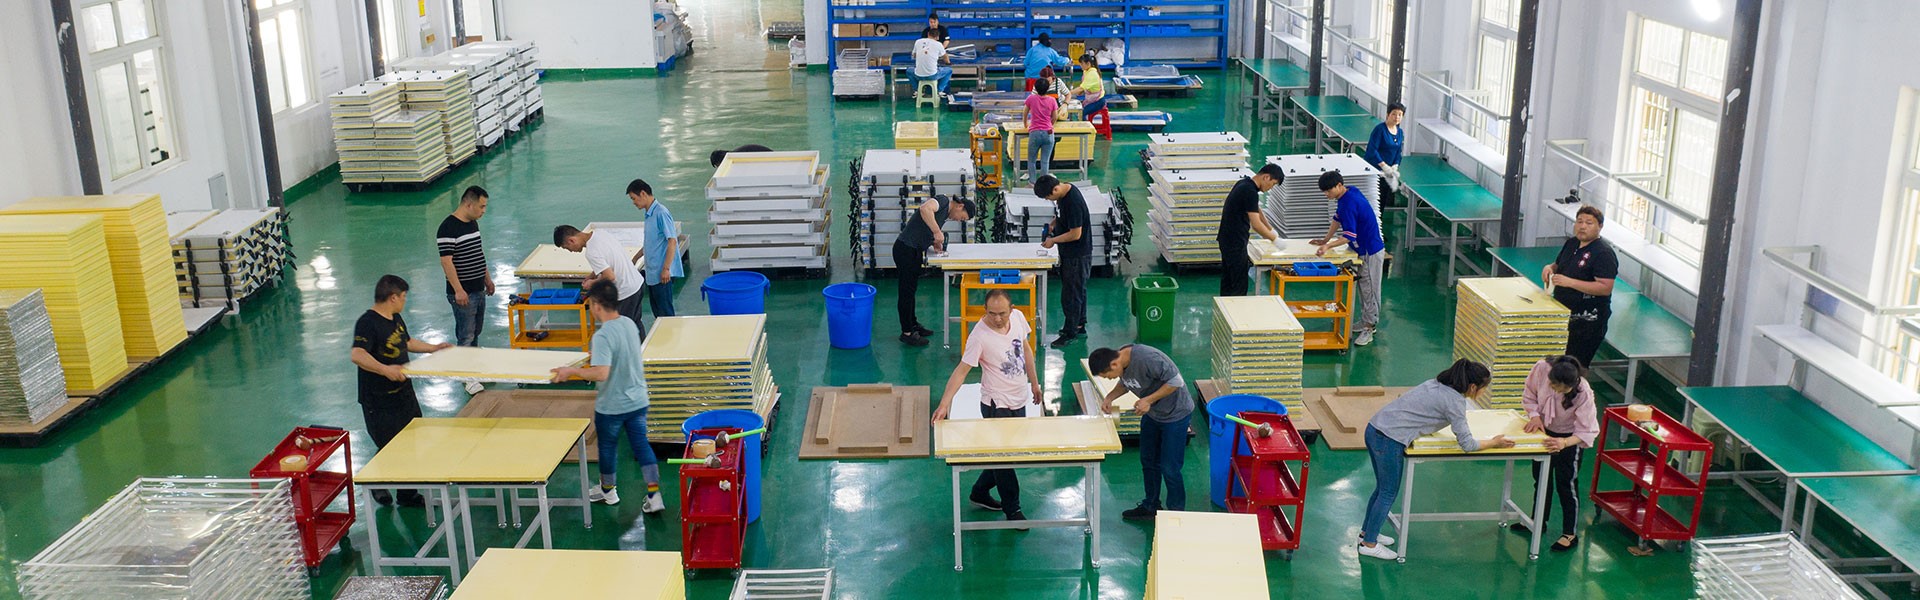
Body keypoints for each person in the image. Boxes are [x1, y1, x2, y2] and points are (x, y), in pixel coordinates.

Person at [1358, 359, 1517, 560]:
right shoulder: (1455, 401)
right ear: (1473, 386)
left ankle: (1367, 533)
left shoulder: (1436, 383)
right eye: (1484, 389)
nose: (1484, 393)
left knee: (1382, 489)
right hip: (1389, 439)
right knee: (1388, 492)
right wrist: (1494, 442)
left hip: (1375, 429)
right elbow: (1467, 444)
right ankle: (1369, 544)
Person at [549, 280, 666, 513]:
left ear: (597, 306)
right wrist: (600, 354)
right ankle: (654, 496)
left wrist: (571, 371)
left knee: (608, 448)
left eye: (590, 304)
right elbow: (622, 351)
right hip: (637, 400)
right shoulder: (628, 324)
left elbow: (602, 373)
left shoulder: (602, 336)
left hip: (612, 405)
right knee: (642, 447)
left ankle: (608, 490)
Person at [931, 290, 1041, 525]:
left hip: (1019, 398)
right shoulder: (979, 336)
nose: (997, 319)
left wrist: (1035, 383)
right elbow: (961, 371)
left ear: (1011, 310)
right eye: (992, 314)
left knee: (1006, 454)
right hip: (995, 404)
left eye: (1002, 313)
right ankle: (1013, 510)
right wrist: (944, 404)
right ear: (985, 310)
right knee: (1004, 459)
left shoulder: (1019, 318)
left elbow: (1027, 350)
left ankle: (979, 491)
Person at [349, 275, 452, 507]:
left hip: (404, 394)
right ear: (393, 297)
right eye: (404, 297)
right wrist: (385, 369)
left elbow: (405, 342)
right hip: (379, 400)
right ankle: (375, 482)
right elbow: (357, 354)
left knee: (412, 441)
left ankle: (408, 494)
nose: (405, 301)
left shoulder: (394, 317)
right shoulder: (368, 322)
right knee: (389, 445)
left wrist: (433, 348)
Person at [1090, 344, 1194, 520]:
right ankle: (1150, 505)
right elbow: (1126, 382)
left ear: (1114, 364)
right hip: (1153, 414)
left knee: (1169, 467)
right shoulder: (1122, 361)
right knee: (1148, 461)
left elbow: (1176, 381)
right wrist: (1110, 397)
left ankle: (1176, 514)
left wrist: (1148, 400)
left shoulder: (1148, 359)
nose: (1108, 379)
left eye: (1107, 376)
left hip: (1175, 415)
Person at [1511, 355, 1599, 552]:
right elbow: (1530, 393)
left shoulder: (1584, 393)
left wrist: (1564, 442)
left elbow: (1587, 430)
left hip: (1568, 439)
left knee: (1566, 485)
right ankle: (1538, 521)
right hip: (1544, 434)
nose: (1556, 390)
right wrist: (1534, 416)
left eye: (1561, 389)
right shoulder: (1542, 368)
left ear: (1572, 385)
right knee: (1541, 479)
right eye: (1553, 385)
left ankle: (1570, 533)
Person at [1312, 170, 1387, 346]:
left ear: (1339, 186)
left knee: (1370, 289)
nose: (1326, 194)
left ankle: (1370, 327)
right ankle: (1365, 320)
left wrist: (1327, 246)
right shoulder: (1348, 193)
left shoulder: (1350, 202)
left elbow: (1349, 236)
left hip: (1370, 251)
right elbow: (1337, 219)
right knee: (1363, 286)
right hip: (1359, 249)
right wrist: (1325, 239)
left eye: (1328, 191)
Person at [893, 194, 977, 347]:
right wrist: (937, 232)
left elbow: (922, 228)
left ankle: (913, 324)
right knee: (906, 291)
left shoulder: (944, 215)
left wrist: (933, 242)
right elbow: (925, 209)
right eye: (962, 218)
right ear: (960, 206)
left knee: (911, 290)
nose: (959, 221)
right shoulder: (943, 201)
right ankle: (907, 333)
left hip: (915, 250)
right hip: (905, 249)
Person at [1543, 205, 1617, 367]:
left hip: (1587, 321)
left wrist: (1570, 282)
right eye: (1579, 221)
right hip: (1564, 313)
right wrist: (1549, 268)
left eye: (1589, 223)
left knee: (1575, 365)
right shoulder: (1572, 243)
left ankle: (1577, 391)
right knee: (1556, 361)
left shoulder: (1603, 254)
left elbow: (1605, 287)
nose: (1583, 226)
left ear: (1600, 227)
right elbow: (1558, 264)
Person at [553, 224, 647, 339]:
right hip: (637, 282)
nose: (571, 251)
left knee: (623, 331)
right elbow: (606, 260)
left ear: (571, 240)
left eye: (567, 248)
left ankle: (629, 354)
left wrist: (591, 283)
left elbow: (610, 277)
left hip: (626, 292)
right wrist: (592, 275)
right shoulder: (600, 233)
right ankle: (642, 351)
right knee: (636, 323)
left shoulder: (591, 253)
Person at [1034, 176, 1090, 348]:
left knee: (1071, 294)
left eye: (1047, 197)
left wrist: (1053, 240)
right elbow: (1061, 215)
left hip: (1076, 255)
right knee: (1078, 290)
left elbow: (1075, 234)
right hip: (1071, 253)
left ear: (1055, 190)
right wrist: (1053, 224)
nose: (1047, 200)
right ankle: (1079, 325)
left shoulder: (1073, 202)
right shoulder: (1065, 191)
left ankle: (1070, 332)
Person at [436, 186, 494, 348]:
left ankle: (473, 365)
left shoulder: (472, 224)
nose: (484, 211)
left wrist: (487, 280)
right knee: (466, 336)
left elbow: (478, 254)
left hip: (478, 288)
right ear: (468, 205)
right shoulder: (448, 228)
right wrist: (458, 290)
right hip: (464, 293)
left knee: (476, 331)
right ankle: (465, 370)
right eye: (481, 206)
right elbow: (446, 262)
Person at [1217, 164, 1285, 296]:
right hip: (1234, 242)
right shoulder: (1249, 191)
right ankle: (1235, 314)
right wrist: (1275, 240)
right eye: (1273, 184)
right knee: (1238, 284)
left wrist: (1270, 228)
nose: (1270, 188)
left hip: (1227, 239)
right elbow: (1256, 225)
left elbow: (1256, 209)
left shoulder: (1245, 184)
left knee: (1228, 280)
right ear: (1266, 177)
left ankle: (1225, 311)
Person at [628, 178, 682, 320]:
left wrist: (666, 269)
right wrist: (635, 258)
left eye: (634, 198)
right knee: (657, 312)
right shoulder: (648, 214)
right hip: (652, 273)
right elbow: (650, 243)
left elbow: (672, 241)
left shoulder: (661, 213)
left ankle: (671, 339)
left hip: (661, 274)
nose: (633, 202)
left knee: (665, 313)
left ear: (643, 194)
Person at [1365, 103, 1407, 209]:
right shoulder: (1380, 130)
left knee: (1381, 201)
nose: (1396, 117)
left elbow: (1398, 151)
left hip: (1387, 174)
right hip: (1375, 170)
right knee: (1371, 199)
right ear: (1388, 114)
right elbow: (1372, 150)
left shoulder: (1400, 132)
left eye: (1400, 115)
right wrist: (1384, 166)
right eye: (1394, 114)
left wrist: (1395, 165)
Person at [1021, 80, 1060, 182]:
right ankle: (1044, 183)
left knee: (1032, 160)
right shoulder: (1052, 100)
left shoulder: (1031, 99)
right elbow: (1055, 116)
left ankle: (1032, 182)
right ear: (1047, 88)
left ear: (1036, 88)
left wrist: (1025, 124)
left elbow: (1025, 112)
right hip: (1048, 133)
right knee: (1045, 161)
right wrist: (1050, 125)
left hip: (1035, 133)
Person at [1072, 54, 1112, 139]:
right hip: (1092, 99)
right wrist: (1080, 92)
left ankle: (1085, 133)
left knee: (1081, 113)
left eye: (1082, 64)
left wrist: (1068, 93)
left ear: (1088, 63)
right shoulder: (1087, 71)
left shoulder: (1092, 74)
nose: (1080, 66)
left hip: (1098, 102)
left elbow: (1081, 88)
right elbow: (1084, 86)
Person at [912, 27, 952, 97]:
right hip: (932, 75)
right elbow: (945, 57)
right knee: (949, 70)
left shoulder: (918, 41)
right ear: (937, 37)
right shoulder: (938, 44)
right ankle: (939, 91)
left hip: (918, 75)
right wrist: (948, 63)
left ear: (928, 34)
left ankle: (917, 90)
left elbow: (914, 55)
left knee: (908, 71)